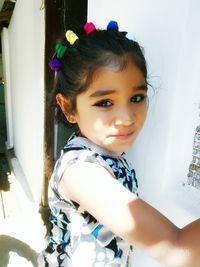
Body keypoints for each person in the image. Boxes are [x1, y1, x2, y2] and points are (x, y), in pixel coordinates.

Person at [38, 21, 200, 267]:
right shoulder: (82, 173)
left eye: (136, 98)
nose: (126, 118)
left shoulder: (108, 155)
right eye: (104, 102)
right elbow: (176, 247)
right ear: (68, 107)